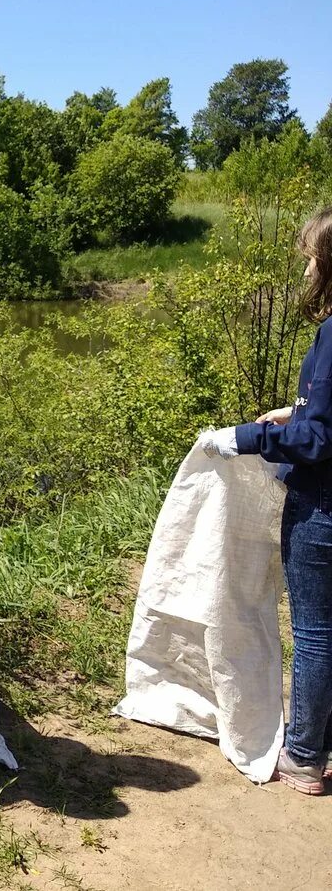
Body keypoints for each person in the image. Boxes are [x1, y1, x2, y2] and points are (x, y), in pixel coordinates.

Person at [199, 206, 332, 795]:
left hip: (324, 506)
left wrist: (245, 438)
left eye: (310, 257)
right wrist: (297, 410)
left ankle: (304, 755)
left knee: (316, 632)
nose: (305, 268)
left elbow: (321, 440)